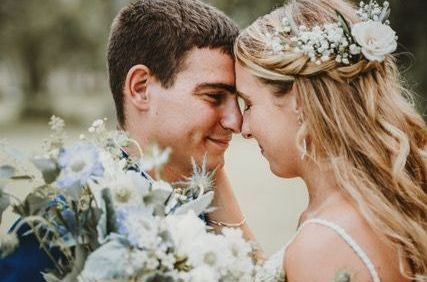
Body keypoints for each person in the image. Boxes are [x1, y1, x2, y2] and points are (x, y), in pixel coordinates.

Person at [0, 0, 251, 280]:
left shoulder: (205, 207)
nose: (237, 122)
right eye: (214, 96)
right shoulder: (67, 215)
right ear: (141, 88)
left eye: (238, 100)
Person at [234, 0, 427, 281]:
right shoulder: (379, 204)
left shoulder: (325, 243)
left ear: (298, 100)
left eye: (248, 104)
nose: (244, 128)